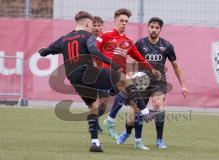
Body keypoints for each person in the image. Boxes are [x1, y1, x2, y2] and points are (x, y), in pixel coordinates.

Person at [38, 11, 153, 152]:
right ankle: (145, 111)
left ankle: (95, 143)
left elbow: (46, 51)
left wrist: (41, 51)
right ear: (87, 23)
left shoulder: (64, 39)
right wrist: (113, 65)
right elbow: (93, 50)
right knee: (126, 80)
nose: (93, 27)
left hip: (73, 79)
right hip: (87, 73)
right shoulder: (88, 36)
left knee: (93, 107)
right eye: (92, 25)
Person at [117, 17, 189, 149]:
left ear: (160, 30)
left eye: (157, 28)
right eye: (152, 27)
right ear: (148, 27)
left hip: (159, 82)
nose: (154, 29)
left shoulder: (167, 46)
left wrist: (183, 85)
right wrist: (129, 76)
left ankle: (159, 140)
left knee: (158, 104)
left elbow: (176, 66)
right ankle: (127, 132)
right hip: (141, 82)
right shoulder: (140, 43)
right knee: (133, 115)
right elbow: (131, 61)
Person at [95, 9, 160, 143]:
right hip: (106, 74)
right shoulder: (105, 35)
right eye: (121, 20)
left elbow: (141, 58)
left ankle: (136, 140)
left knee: (134, 106)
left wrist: (152, 70)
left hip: (119, 77)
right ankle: (145, 112)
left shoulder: (128, 42)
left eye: (126, 21)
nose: (124, 23)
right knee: (127, 86)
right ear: (115, 21)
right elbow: (93, 51)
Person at [92, 16, 104, 133]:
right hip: (90, 74)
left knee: (104, 103)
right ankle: (94, 124)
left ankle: (94, 119)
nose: (96, 28)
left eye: (98, 25)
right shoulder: (87, 39)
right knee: (94, 101)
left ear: (102, 26)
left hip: (103, 74)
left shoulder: (105, 38)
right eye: (94, 25)